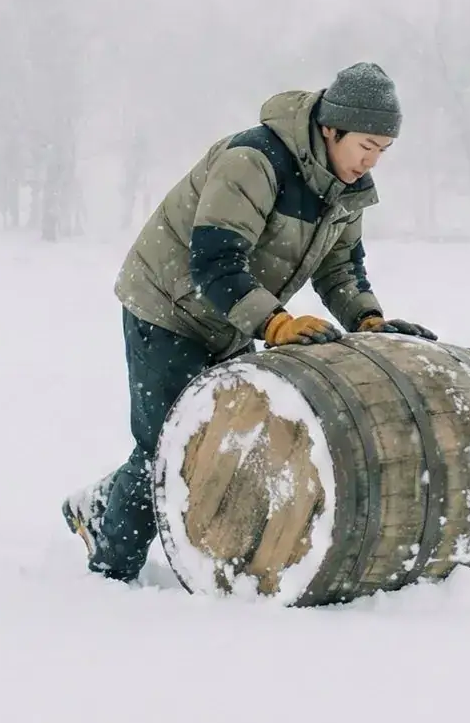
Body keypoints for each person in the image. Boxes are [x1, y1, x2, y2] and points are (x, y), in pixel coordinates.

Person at [62, 61, 435, 582]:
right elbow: (214, 261)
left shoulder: (345, 190)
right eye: (365, 146)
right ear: (331, 128)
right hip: (168, 303)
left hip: (234, 315)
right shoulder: (254, 161)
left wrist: (367, 318)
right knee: (171, 445)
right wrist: (277, 324)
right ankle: (109, 562)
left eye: (383, 151)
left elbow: (340, 268)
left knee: (233, 435)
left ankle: (108, 505)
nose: (371, 161)